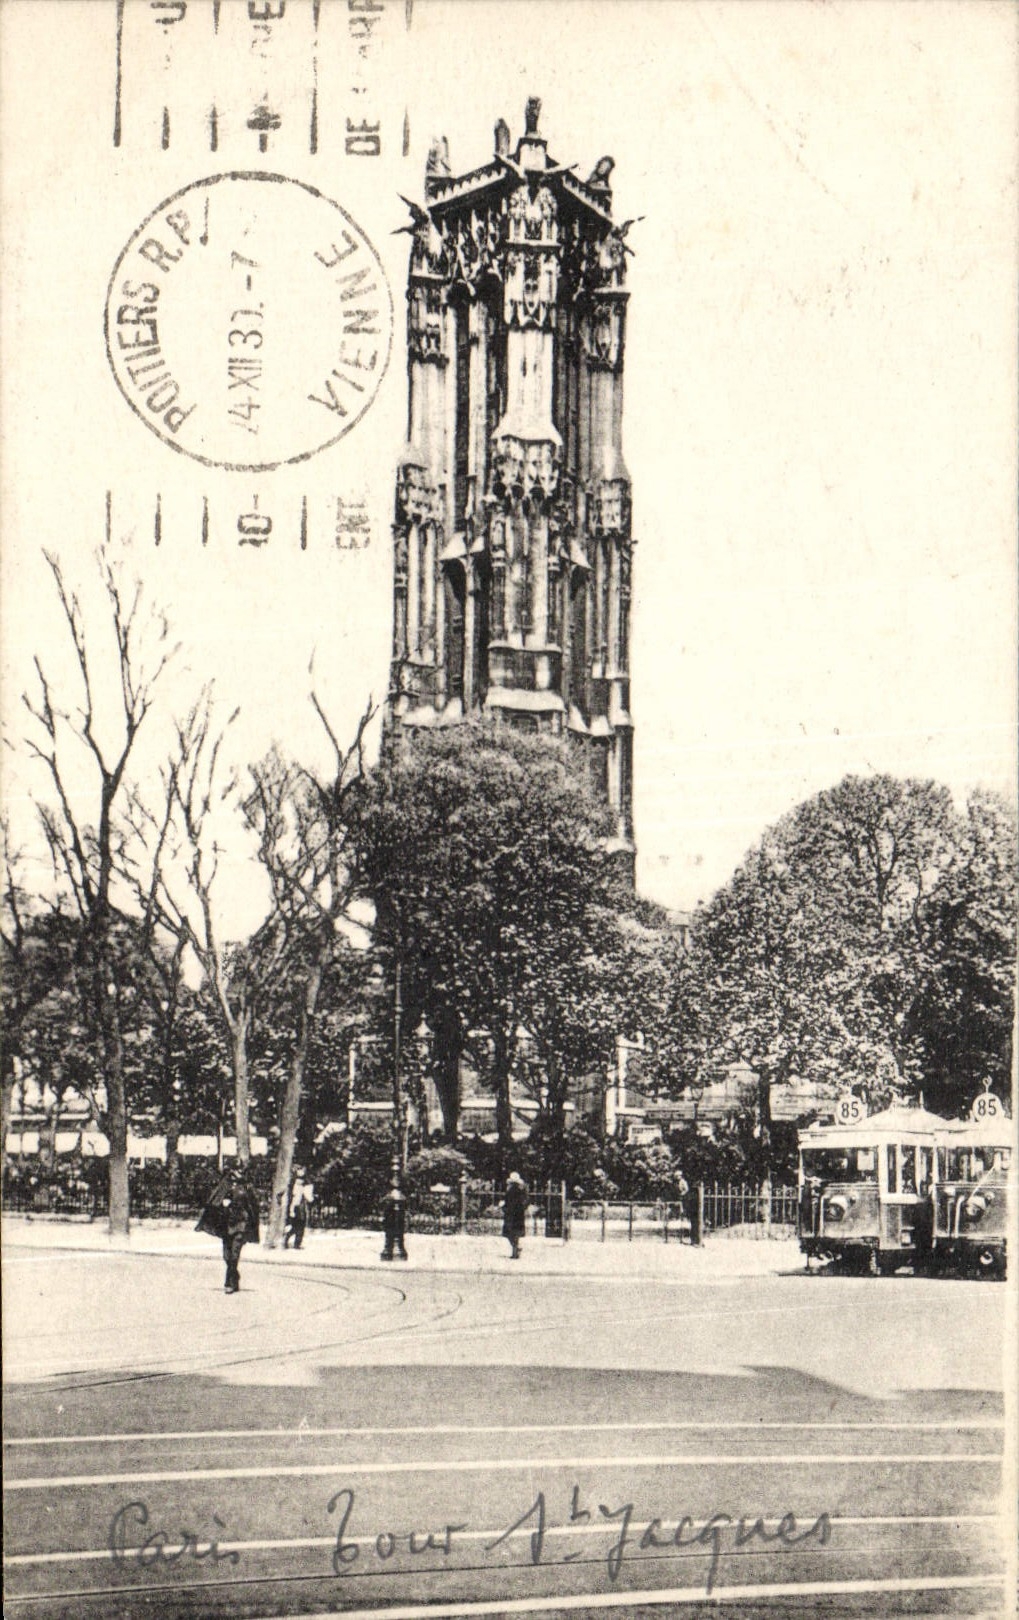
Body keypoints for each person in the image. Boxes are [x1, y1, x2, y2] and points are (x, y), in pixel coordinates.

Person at [196, 1163, 261, 1294]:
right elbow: (214, 1202)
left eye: (241, 1171)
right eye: (236, 1170)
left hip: (241, 1224)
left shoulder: (247, 1187)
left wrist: (251, 1223)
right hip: (226, 1224)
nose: (238, 1173)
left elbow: (254, 1205)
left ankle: (229, 1283)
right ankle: (235, 1276)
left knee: (234, 1254)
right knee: (226, 1255)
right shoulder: (225, 1185)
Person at [284, 1168, 312, 1250]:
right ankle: (293, 1242)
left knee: (298, 1227)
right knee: (298, 1227)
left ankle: (295, 1242)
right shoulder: (297, 1188)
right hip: (298, 1208)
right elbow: (297, 1199)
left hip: (299, 1207)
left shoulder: (299, 1186)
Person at [502, 1171, 528, 1260]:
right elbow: (526, 1201)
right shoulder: (522, 1189)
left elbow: (509, 1201)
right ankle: (516, 1250)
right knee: (515, 1233)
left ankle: (515, 1250)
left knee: (510, 1233)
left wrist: (504, 1206)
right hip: (519, 1214)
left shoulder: (512, 1189)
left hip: (511, 1214)